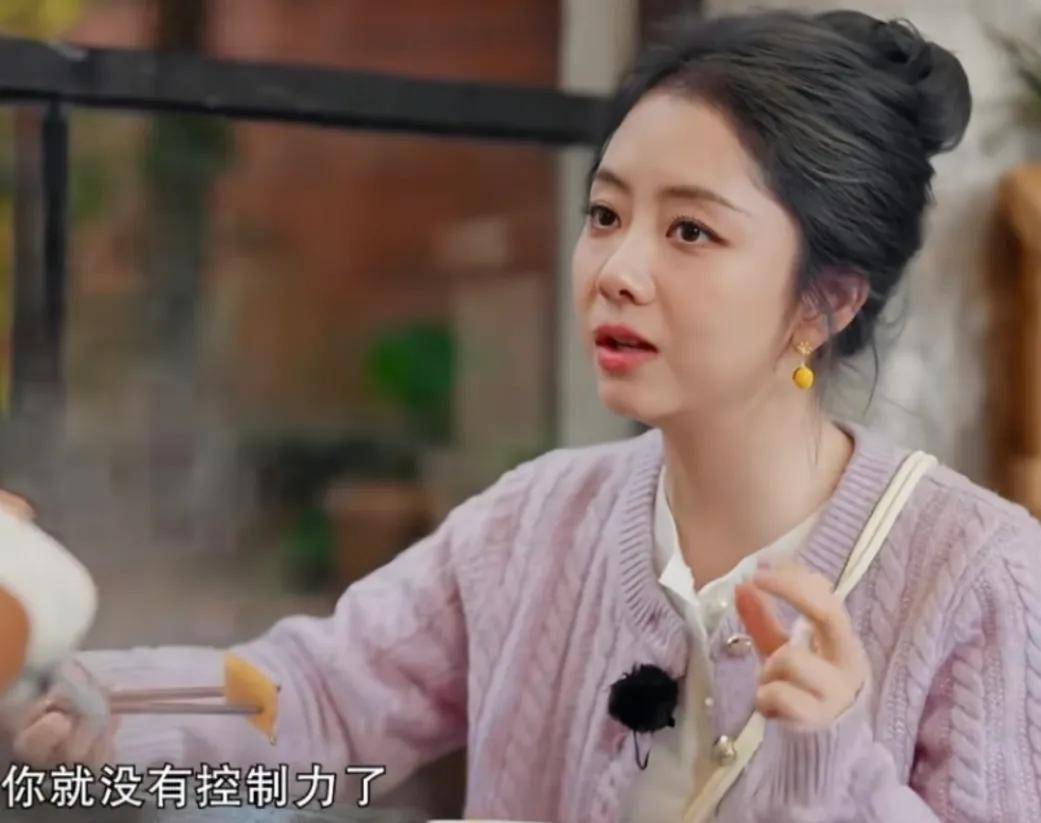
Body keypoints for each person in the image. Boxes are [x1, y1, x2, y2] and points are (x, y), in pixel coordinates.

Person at [7, 8, 1041, 822]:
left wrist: (830, 763)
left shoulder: (981, 575)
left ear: (827, 301)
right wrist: (49, 672)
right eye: (605, 213)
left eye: (689, 230)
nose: (615, 269)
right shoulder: (538, 518)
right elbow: (317, 698)